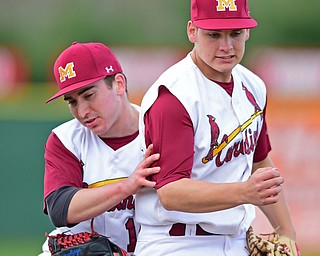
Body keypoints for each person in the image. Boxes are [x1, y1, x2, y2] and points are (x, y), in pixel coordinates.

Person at [134, 0, 299, 255]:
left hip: (237, 240)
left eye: (234, 33)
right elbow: (170, 191)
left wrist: (287, 234)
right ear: (192, 32)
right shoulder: (175, 96)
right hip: (177, 242)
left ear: (247, 32)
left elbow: (260, 162)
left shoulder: (253, 85)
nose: (226, 46)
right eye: (213, 34)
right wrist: (244, 192)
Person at [39, 42, 160, 255]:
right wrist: (127, 186)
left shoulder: (159, 132)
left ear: (119, 84)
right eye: (72, 102)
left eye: (89, 95)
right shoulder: (66, 139)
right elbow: (60, 208)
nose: (82, 111)